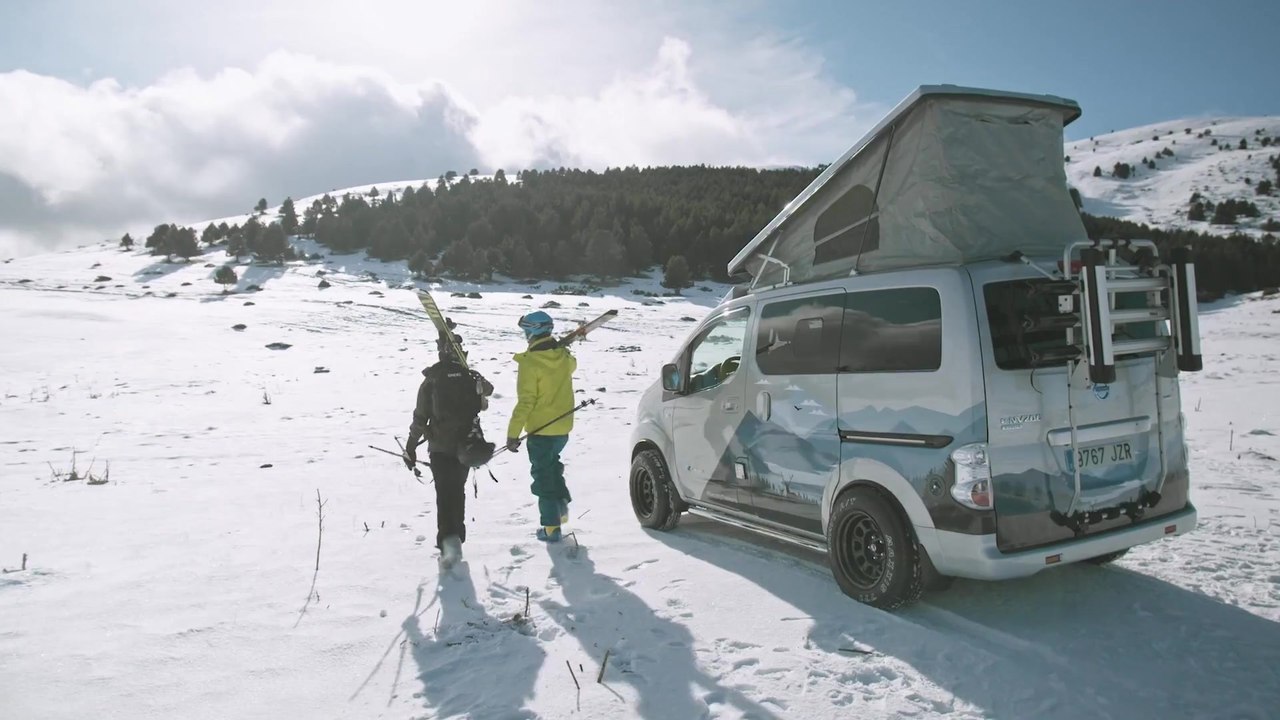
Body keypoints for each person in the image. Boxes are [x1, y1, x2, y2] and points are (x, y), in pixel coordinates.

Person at [405, 333, 494, 567]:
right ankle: (456, 538)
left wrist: (411, 447)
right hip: (467, 447)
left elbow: (419, 419)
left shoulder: (432, 380)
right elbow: (487, 394)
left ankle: (448, 542)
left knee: (445, 495)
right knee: (458, 490)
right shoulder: (471, 377)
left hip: (440, 449)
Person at [505, 311, 577, 542]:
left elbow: (526, 401)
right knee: (552, 465)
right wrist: (560, 348)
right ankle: (561, 502)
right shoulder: (564, 357)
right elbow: (572, 365)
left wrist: (512, 434)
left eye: (526, 330)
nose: (525, 335)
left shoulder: (530, 363)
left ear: (533, 331)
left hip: (540, 430)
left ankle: (550, 527)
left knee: (542, 476)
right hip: (562, 428)